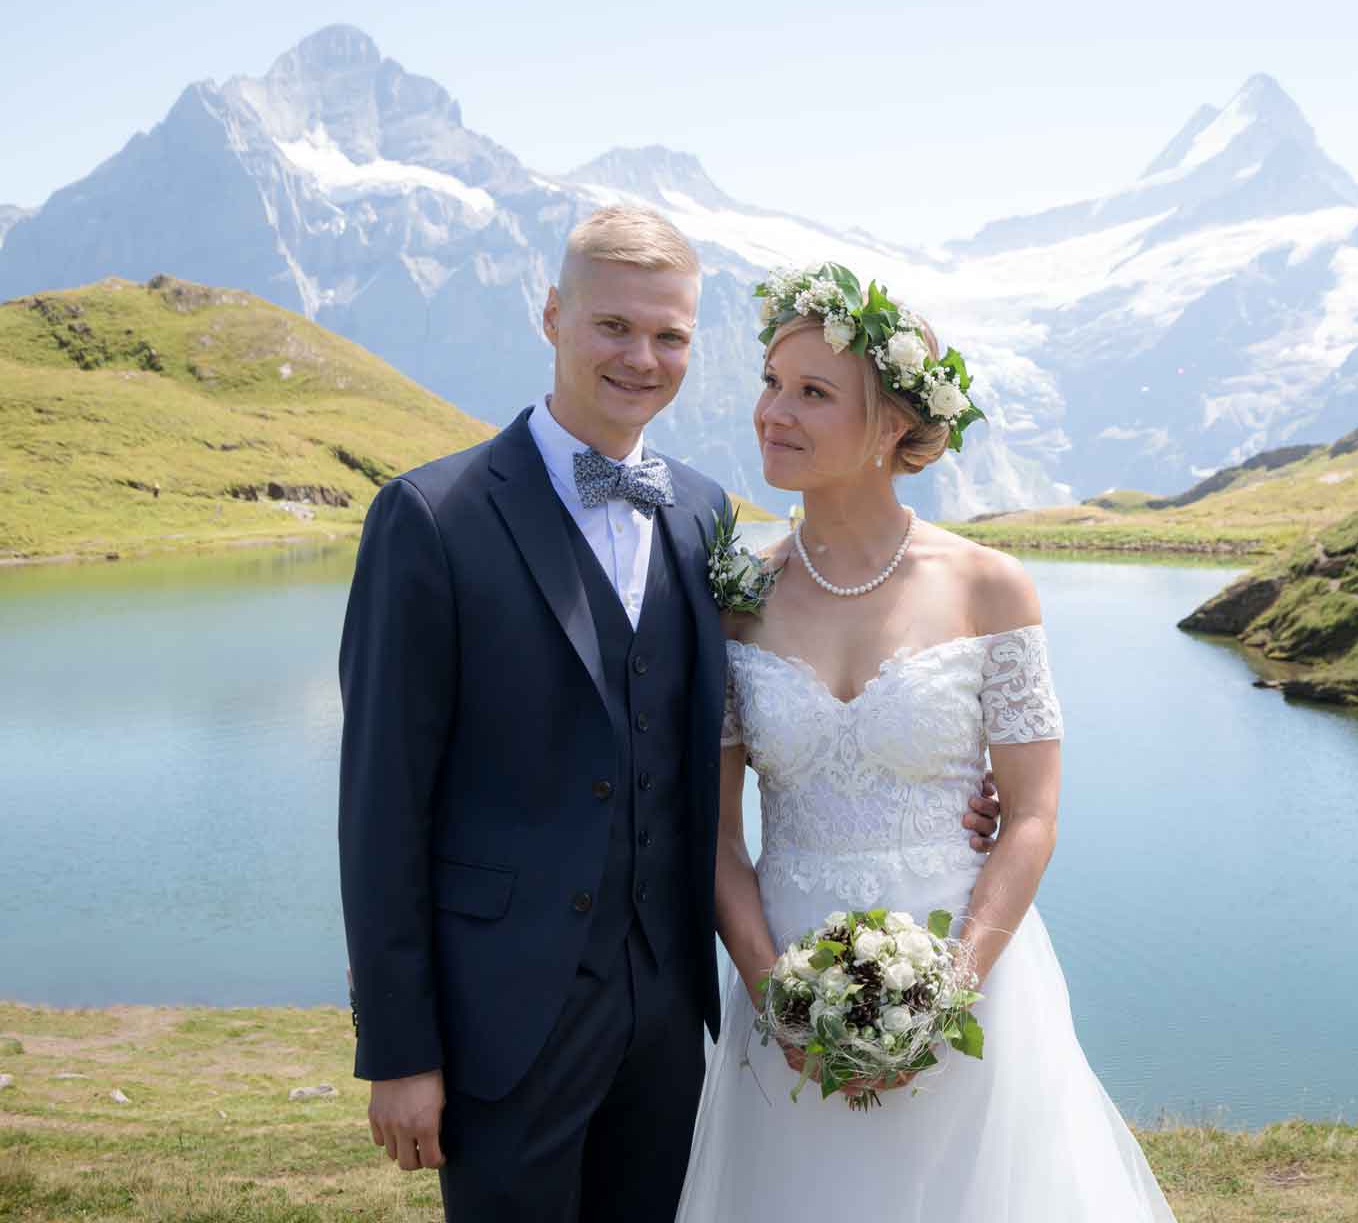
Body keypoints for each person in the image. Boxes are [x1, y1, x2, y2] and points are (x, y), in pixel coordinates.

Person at [336, 209, 1000, 1222]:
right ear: (552, 314)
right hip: (501, 1025)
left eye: (671, 335)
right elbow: (380, 806)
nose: (642, 357)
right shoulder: (432, 518)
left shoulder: (704, 514)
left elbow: (756, 723)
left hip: (670, 1021)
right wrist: (399, 1050)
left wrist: (947, 780)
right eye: (613, 326)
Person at [674, 264, 1174, 1220]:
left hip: (967, 975)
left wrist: (949, 992)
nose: (774, 412)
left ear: (895, 427)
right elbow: (717, 836)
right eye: (771, 383)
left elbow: (1031, 815)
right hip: (785, 978)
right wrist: (777, 994)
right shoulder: (736, 596)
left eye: (813, 393)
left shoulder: (992, 588)